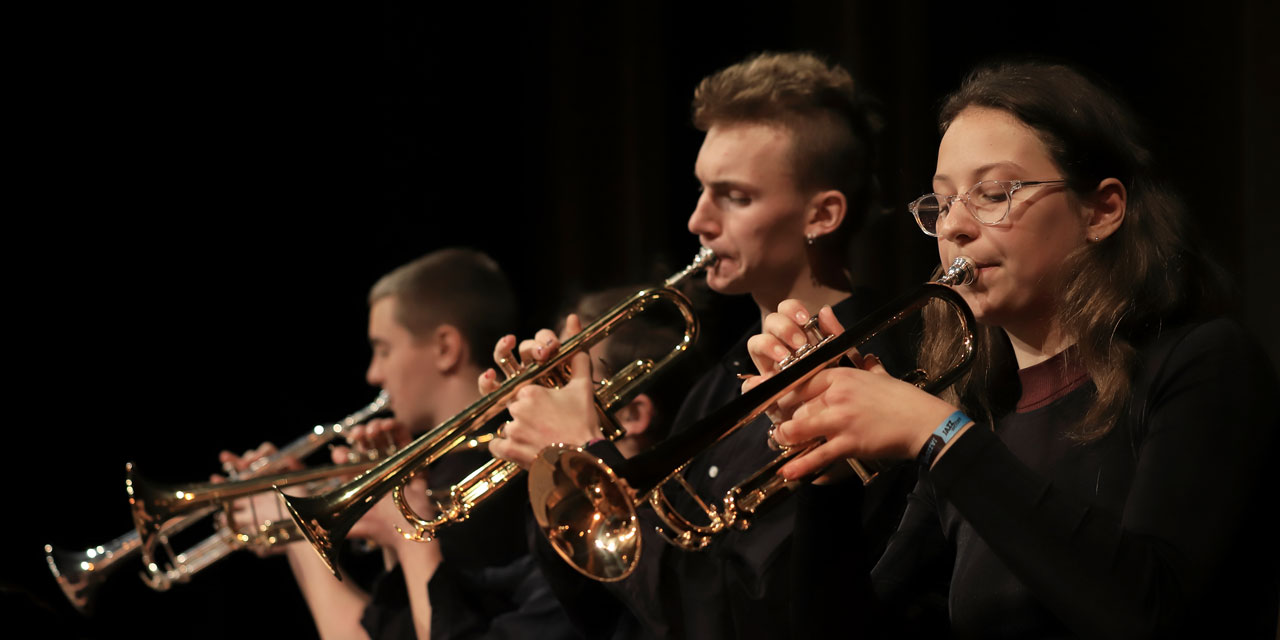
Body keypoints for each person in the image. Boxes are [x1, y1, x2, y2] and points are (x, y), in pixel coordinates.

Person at [748, 61, 1280, 637]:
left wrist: (940, 434)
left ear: (1101, 210)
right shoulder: (984, 416)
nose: (955, 226)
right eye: (942, 202)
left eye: (994, 193)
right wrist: (828, 472)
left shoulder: (1204, 363)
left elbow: (1153, 611)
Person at [480, 51, 910, 639]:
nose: (697, 220)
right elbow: (614, 616)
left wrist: (579, 448)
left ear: (823, 214)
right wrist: (557, 472)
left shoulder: (876, 367)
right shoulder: (717, 379)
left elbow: (727, 617)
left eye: (734, 197)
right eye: (703, 190)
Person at [223, 248, 580, 639]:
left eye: (383, 349)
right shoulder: (451, 466)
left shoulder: (480, 479)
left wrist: (296, 523)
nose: (373, 372)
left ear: (445, 348)